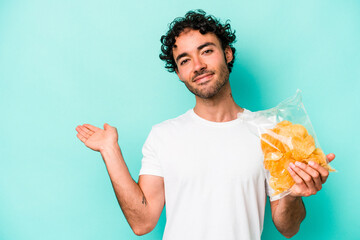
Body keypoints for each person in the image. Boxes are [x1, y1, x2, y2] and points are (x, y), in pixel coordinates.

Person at [75, 10, 335, 240]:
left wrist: (292, 194)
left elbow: (288, 228)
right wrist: (110, 151)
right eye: (185, 60)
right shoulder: (163, 135)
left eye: (206, 51)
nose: (198, 66)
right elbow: (142, 223)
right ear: (178, 72)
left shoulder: (269, 131)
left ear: (227, 53)